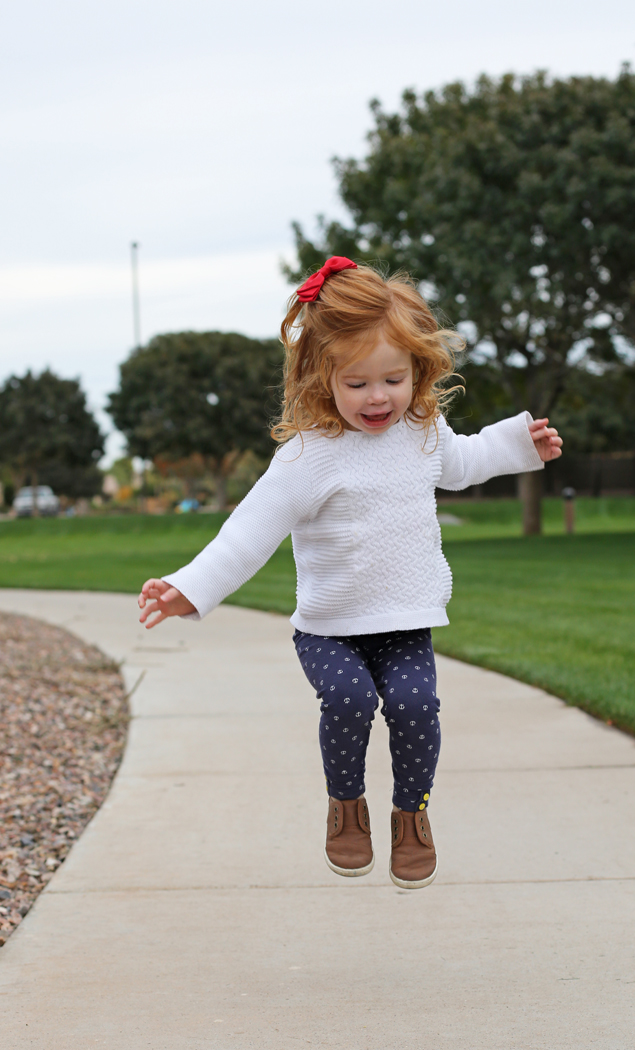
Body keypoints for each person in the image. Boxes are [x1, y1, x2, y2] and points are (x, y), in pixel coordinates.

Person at [138, 257, 562, 890]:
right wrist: (190, 588)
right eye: (357, 382)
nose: (378, 397)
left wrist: (519, 445)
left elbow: (466, 459)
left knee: (416, 705)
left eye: (393, 378)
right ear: (322, 376)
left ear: (418, 370)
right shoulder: (308, 455)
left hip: (405, 620)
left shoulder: (421, 432)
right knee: (350, 699)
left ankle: (411, 817)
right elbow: (250, 532)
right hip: (331, 628)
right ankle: (346, 807)